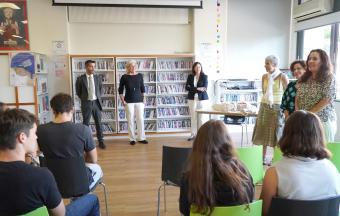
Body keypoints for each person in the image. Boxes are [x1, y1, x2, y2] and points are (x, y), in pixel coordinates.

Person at [0, 108, 100, 216]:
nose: (36, 137)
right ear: (22, 137)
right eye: (34, 133)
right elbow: (60, 214)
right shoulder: (41, 176)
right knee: (92, 199)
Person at [260, 110, 340, 216]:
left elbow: (264, 212)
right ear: (319, 135)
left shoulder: (274, 173)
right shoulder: (332, 169)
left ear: (287, 134)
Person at [179, 120, 254, 216]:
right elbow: (250, 204)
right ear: (227, 143)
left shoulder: (188, 181)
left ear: (198, 146)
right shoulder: (243, 174)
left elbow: (185, 212)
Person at [37, 93, 103, 191]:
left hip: (51, 185)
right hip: (78, 183)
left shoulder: (40, 130)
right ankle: (79, 201)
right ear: (72, 109)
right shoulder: (83, 130)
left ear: (53, 110)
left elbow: (37, 153)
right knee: (97, 168)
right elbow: (93, 159)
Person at [252, 55, 288, 164]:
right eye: (265, 63)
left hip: (277, 107)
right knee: (262, 130)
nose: (265, 65)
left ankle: (275, 158)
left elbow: (287, 94)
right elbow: (264, 92)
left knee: (276, 132)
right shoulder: (264, 76)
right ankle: (261, 158)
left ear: (274, 65)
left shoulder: (282, 76)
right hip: (264, 105)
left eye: (267, 63)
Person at [296, 49, 337, 142]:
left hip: (322, 121)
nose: (310, 61)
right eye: (309, 59)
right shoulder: (304, 78)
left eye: (315, 59)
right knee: (306, 152)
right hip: (304, 121)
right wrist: (298, 114)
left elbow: (326, 100)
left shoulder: (329, 77)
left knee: (321, 153)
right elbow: (298, 97)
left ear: (323, 62)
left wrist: (306, 115)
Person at [76, 59, 106, 149]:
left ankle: (101, 141)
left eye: (93, 66)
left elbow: (101, 90)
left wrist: (97, 98)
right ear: (86, 67)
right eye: (90, 66)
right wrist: (85, 99)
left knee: (99, 123)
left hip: (96, 103)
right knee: (86, 124)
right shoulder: (80, 79)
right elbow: (78, 92)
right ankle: (85, 142)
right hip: (86, 103)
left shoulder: (98, 78)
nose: (92, 68)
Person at [118, 60, 148, 145]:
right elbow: (120, 90)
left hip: (139, 100)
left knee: (140, 119)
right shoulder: (124, 77)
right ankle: (132, 139)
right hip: (129, 101)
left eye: (134, 65)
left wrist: (144, 98)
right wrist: (122, 100)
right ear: (128, 67)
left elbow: (142, 88)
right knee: (130, 120)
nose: (133, 67)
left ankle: (141, 138)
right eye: (131, 66)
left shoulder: (140, 76)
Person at [185, 62, 209, 141]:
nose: (198, 68)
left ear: (201, 68)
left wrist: (194, 88)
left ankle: (201, 135)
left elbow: (204, 88)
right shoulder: (190, 76)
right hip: (192, 99)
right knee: (193, 117)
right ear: (194, 68)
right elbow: (187, 87)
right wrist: (197, 89)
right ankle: (193, 134)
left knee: (201, 118)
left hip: (202, 99)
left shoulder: (204, 76)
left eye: (199, 67)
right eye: (196, 67)